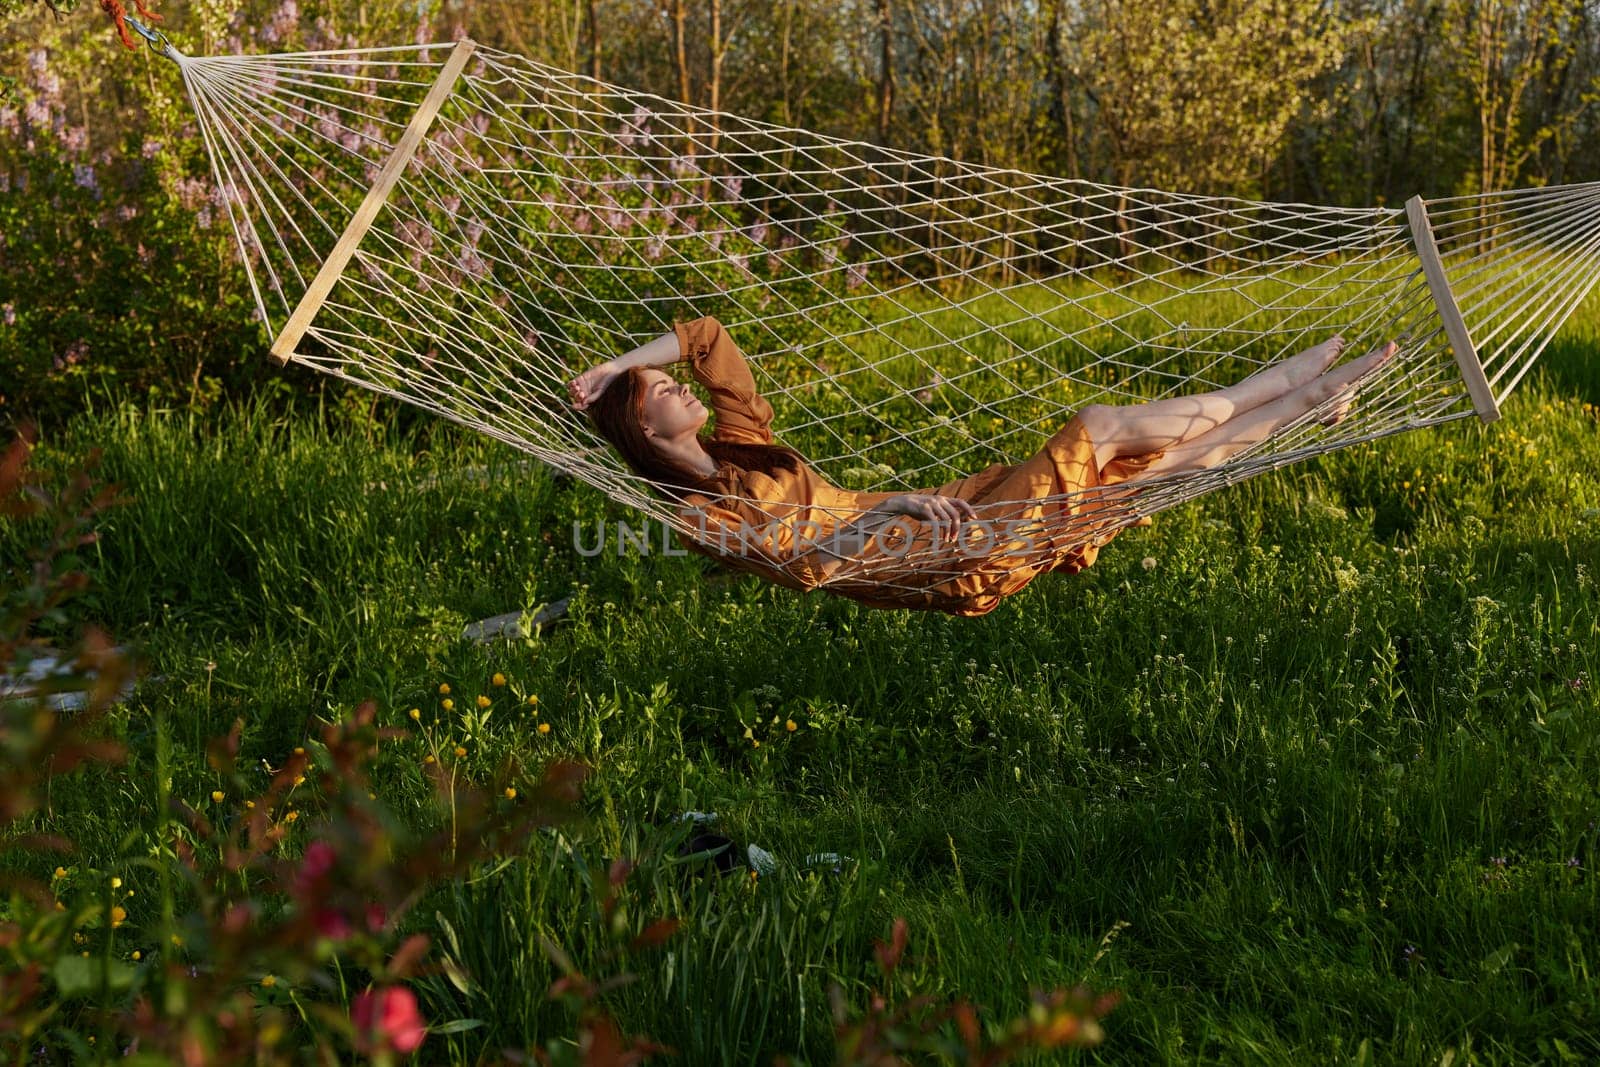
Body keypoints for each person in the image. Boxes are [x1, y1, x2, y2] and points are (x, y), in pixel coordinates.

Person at [570, 315, 1396, 617]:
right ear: (644, 428)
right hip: (938, 555)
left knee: (1143, 473)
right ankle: (1283, 382)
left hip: (945, 510)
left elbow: (707, 335)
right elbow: (809, 565)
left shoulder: (738, 443)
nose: (682, 386)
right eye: (661, 390)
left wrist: (614, 366)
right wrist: (890, 514)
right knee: (1101, 428)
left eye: (666, 380)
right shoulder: (700, 515)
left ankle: (1300, 405)